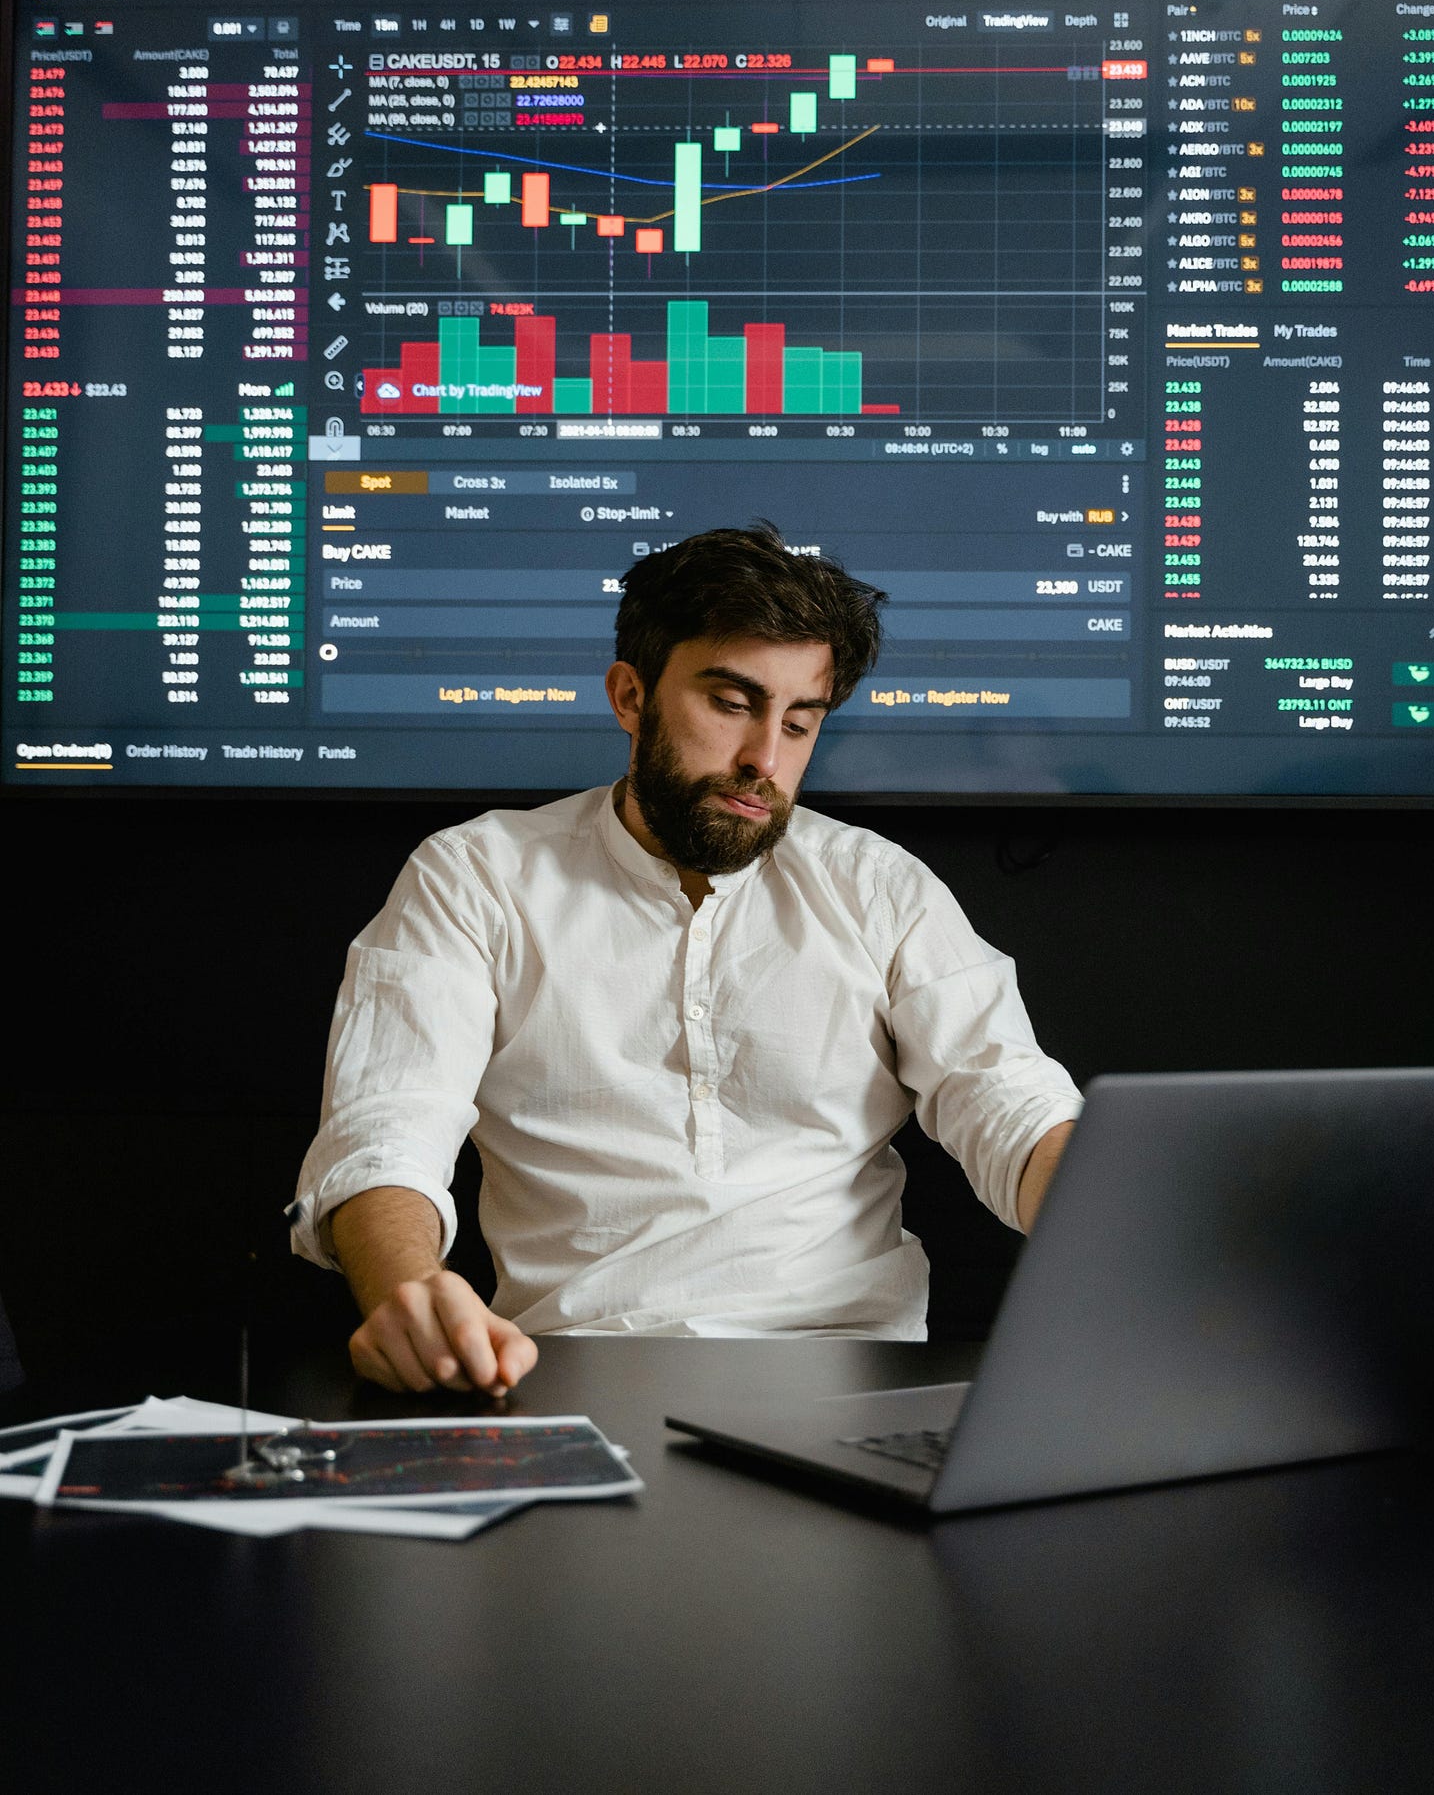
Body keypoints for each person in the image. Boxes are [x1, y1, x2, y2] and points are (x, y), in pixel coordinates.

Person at [290, 524, 1082, 1394]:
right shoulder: (475, 875)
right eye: (732, 704)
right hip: (575, 1374)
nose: (764, 762)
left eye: (799, 722)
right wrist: (408, 1292)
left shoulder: (879, 888)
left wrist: (1121, 1224)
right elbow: (386, 1130)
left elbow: (1009, 1101)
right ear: (630, 696)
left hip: (854, 1377)